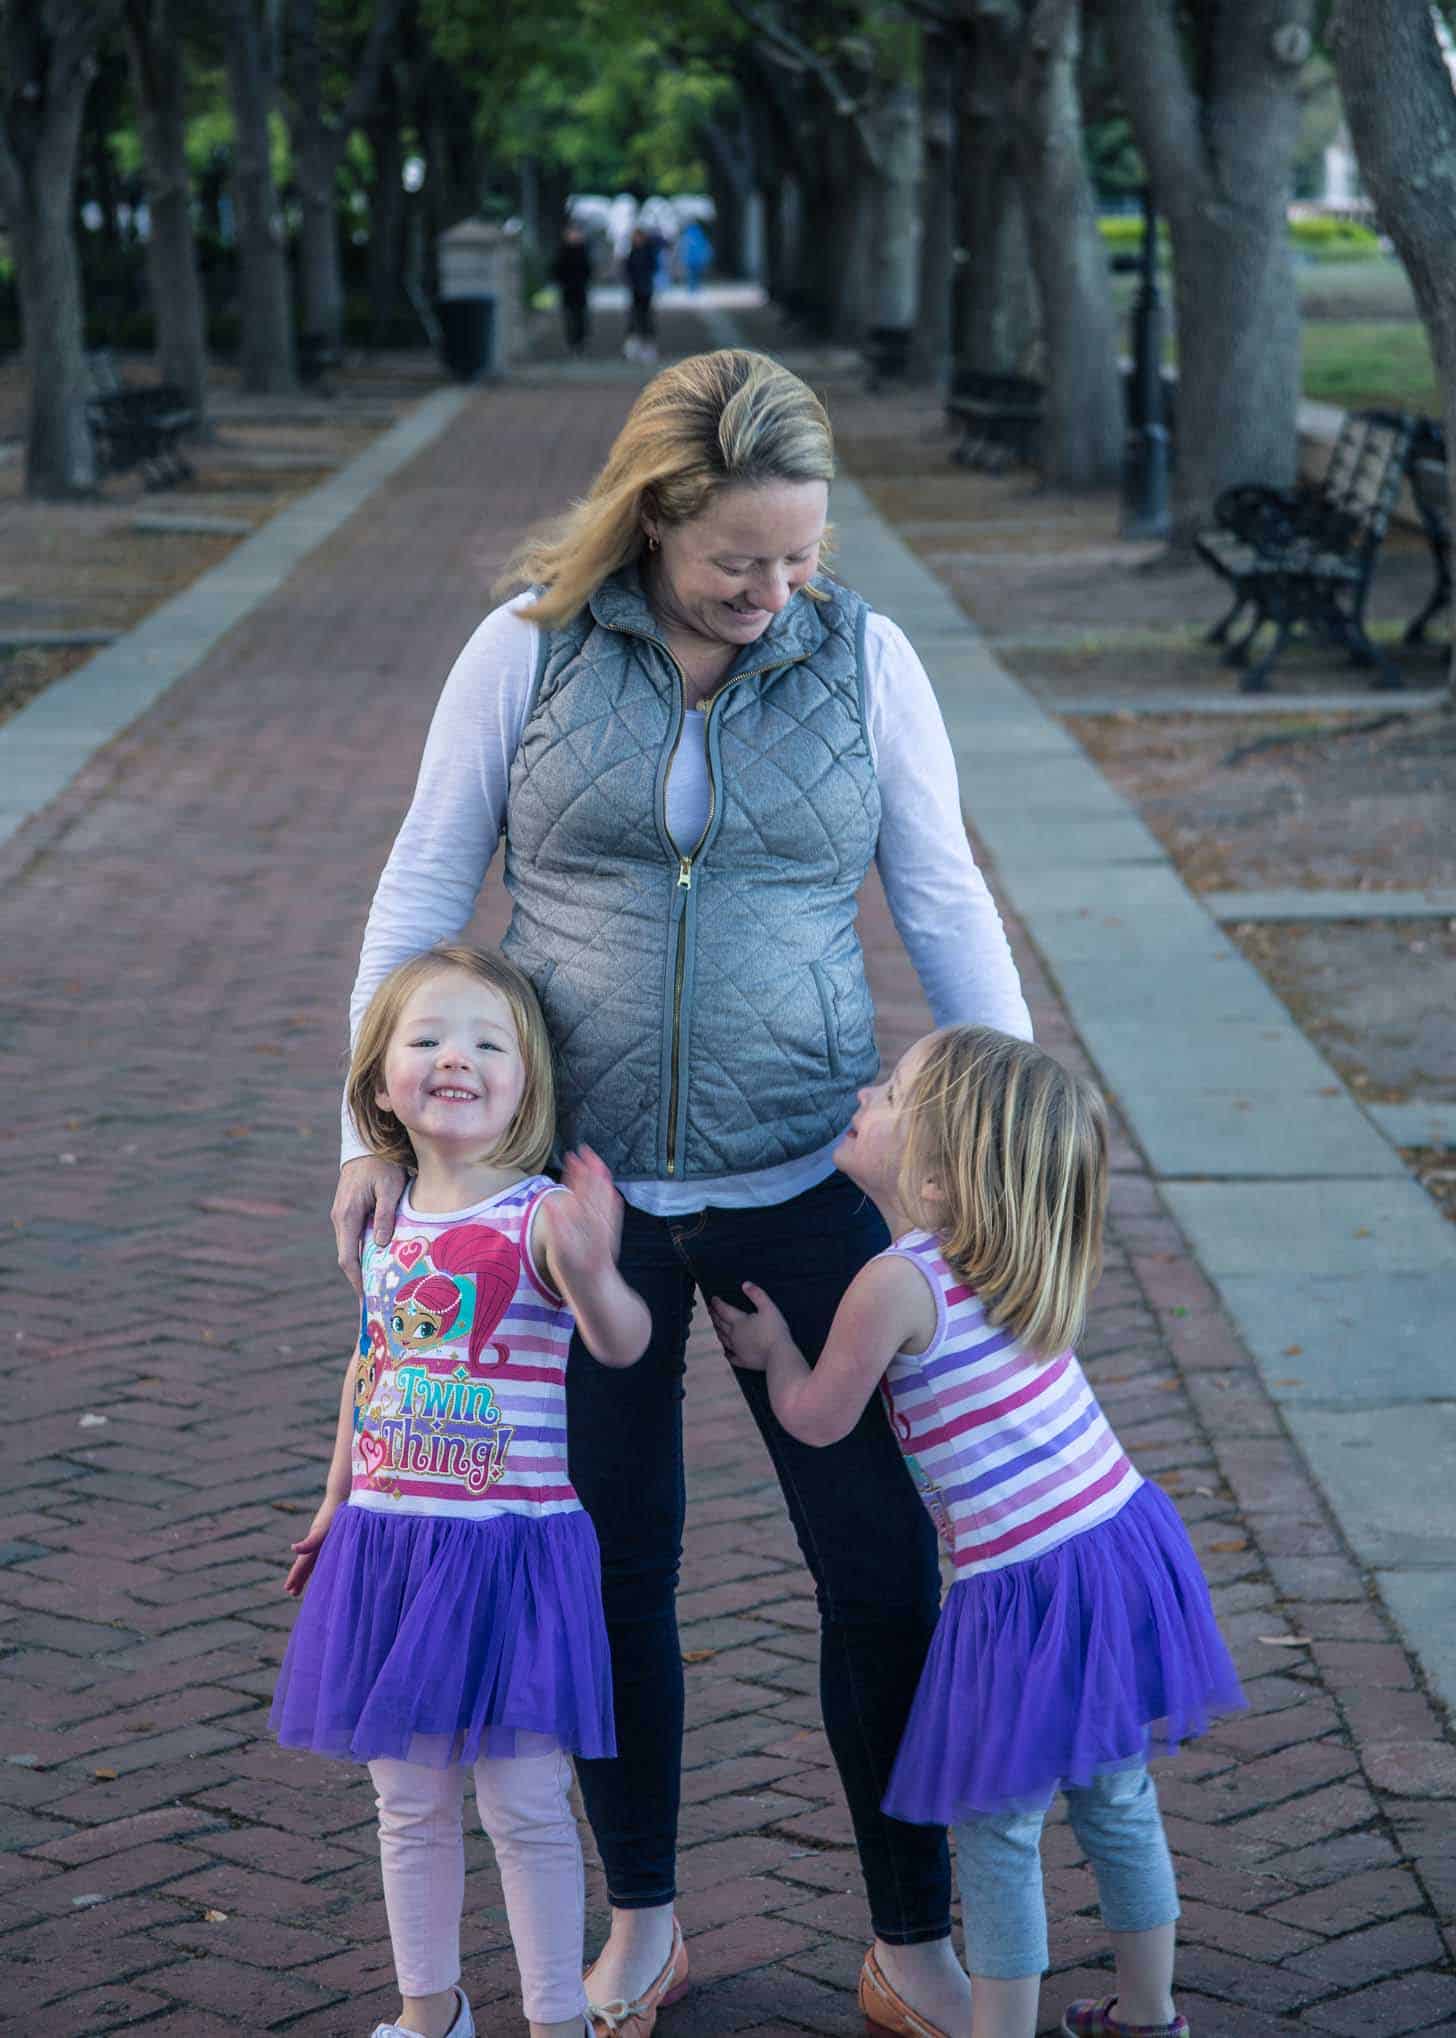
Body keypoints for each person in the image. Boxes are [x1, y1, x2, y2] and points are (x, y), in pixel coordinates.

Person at [331, 348, 1034, 2038]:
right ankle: (637, 1915)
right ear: (651, 519)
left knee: (878, 1569)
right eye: (738, 558)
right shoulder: (526, 651)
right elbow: (427, 875)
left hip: (804, 1174)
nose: (774, 589)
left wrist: (1012, 1154)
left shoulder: (865, 656)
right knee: (608, 1567)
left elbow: (941, 892)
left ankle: (910, 1930)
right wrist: (359, 1130)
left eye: (801, 554)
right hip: (575, 1198)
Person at [710, 1026, 1245, 2038]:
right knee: (1115, 1795)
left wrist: (778, 1348)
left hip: (1025, 1584)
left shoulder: (896, 1281)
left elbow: (819, 1417)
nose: (865, 1093)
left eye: (893, 1094)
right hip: (1118, 1543)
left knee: (998, 1827)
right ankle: (1147, 2012)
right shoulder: (1014, 1257)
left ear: (943, 1179)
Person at [276, 944, 651, 2038]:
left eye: (489, 1042)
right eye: (428, 1038)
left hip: (509, 1552)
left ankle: (554, 2018)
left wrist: (594, 1267)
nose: (457, 1058)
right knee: (408, 1801)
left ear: (524, 1080)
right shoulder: (386, 1220)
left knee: (525, 1802)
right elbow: (370, 1366)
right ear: (380, 1080)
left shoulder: (537, 1217)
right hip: (390, 1547)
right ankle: (427, 2011)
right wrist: (334, 1498)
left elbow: (620, 1342)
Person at [552, 222, 592, 356]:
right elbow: (556, 269)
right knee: (569, 316)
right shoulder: (562, 251)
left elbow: (588, 269)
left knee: (580, 316)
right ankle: (572, 341)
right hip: (568, 290)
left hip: (580, 289)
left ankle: (580, 341)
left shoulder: (583, 250)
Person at [622, 226, 658, 362]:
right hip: (635, 290)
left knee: (646, 318)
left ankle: (648, 347)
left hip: (646, 289)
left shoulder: (648, 252)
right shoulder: (632, 252)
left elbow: (653, 267)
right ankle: (632, 347)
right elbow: (627, 270)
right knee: (633, 317)